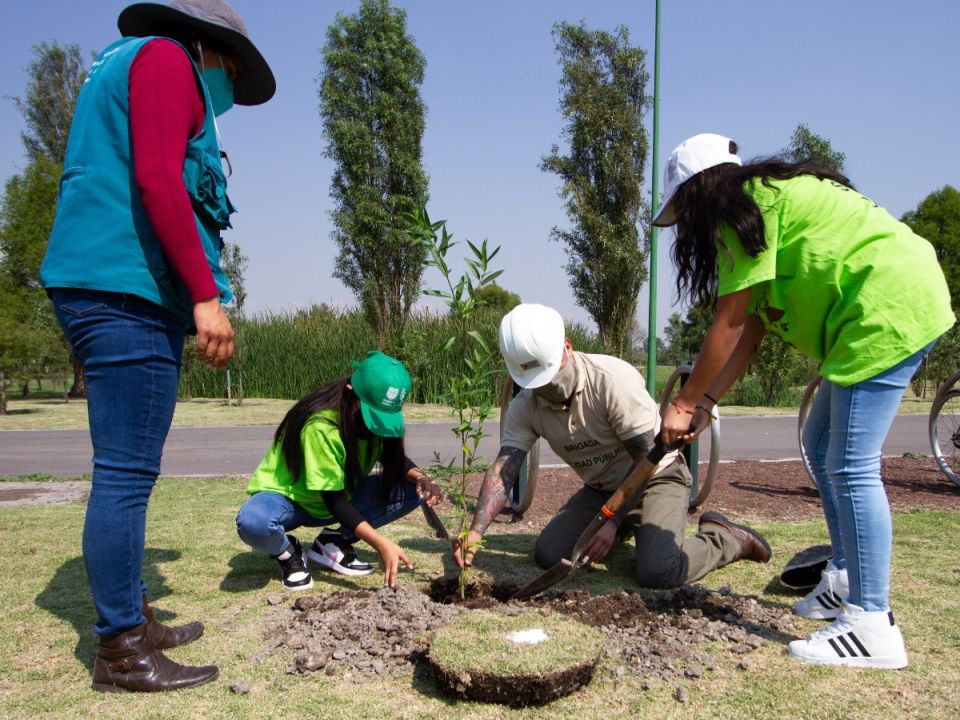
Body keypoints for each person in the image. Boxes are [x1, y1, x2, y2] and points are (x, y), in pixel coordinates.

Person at [38, 0, 275, 692]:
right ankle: (121, 649)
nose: (228, 87)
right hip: (124, 287)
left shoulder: (119, 65)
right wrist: (204, 294)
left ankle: (132, 614)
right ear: (212, 50)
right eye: (231, 69)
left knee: (126, 467)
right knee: (125, 472)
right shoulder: (168, 59)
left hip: (102, 281)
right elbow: (158, 180)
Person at [654, 133, 955, 669]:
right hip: (881, 305)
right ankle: (844, 577)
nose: (690, 230)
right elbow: (749, 335)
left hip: (882, 310)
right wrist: (707, 404)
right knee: (819, 446)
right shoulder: (764, 215)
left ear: (699, 193)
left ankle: (871, 623)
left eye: (685, 213)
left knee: (851, 466)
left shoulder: (747, 208)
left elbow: (728, 320)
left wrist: (684, 399)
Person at [452, 303, 771, 589]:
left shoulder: (610, 381)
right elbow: (504, 469)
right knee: (549, 553)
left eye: (548, 374)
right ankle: (625, 529)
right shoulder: (526, 406)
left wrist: (611, 521)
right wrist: (476, 532)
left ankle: (725, 537)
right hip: (603, 489)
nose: (545, 387)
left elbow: (647, 458)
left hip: (657, 477)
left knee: (658, 571)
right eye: (534, 381)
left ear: (567, 347)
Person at [236, 351, 443, 591]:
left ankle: (334, 540)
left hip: (342, 497)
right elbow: (333, 499)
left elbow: (394, 460)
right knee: (253, 522)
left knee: (414, 489)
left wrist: (422, 478)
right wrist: (380, 544)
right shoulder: (322, 426)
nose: (376, 423)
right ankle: (287, 553)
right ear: (350, 392)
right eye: (372, 412)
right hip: (291, 503)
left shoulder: (374, 427)